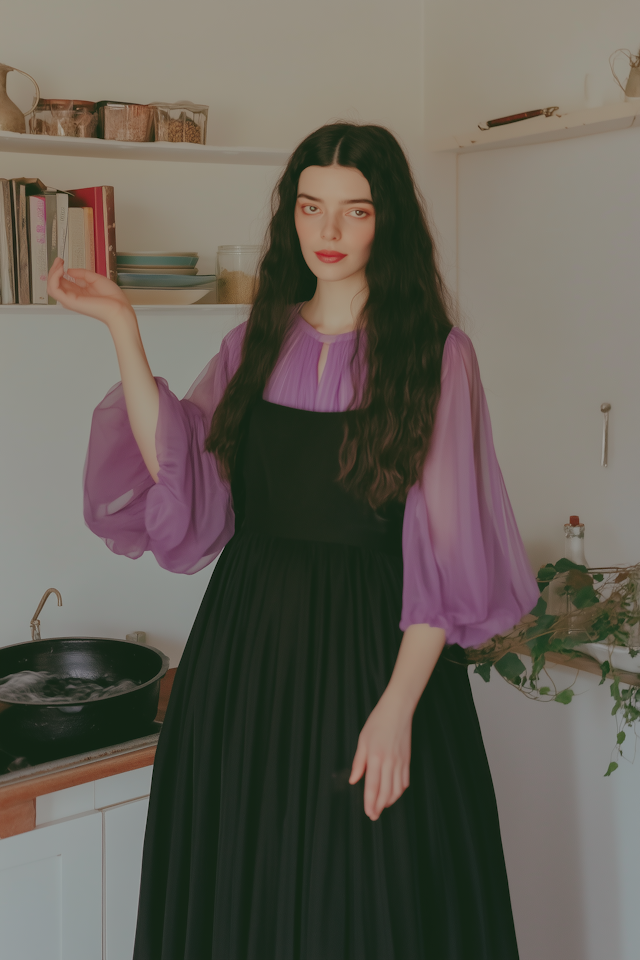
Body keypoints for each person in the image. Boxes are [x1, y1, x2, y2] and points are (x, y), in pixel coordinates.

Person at [48, 122, 539, 960]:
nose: (330, 233)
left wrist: (395, 711)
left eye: (355, 212)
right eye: (313, 208)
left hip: (374, 659)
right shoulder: (254, 342)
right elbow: (183, 474)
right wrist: (123, 329)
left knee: (366, 901)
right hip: (245, 667)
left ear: (389, 225)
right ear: (293, 217)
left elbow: (445, 557)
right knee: (248, 896)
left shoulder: (436, 358)